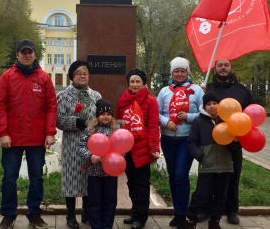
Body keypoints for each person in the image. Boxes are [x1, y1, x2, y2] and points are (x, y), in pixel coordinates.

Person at [0, 40, 57, 229]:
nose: (27, 55)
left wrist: (50, 133)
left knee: (36, 178)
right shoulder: (7, 77)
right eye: (23, 52)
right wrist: (3, 133)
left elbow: (51, 107)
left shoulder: (44, 78)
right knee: (9, 178)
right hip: (11, 139)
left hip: (37, 139)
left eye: (30, 52)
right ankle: (8, 214)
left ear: (35, 55)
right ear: (17, 55)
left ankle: (34, 213)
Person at [157, 57, 204, 229]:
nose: (179, 74)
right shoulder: (164, 91)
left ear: (187, 72)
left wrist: (189, 116)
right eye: (176, 71)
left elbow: (207, 111)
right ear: (172, 73)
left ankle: (182, 215)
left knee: (180, 175)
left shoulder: (197, 90)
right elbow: (157, 113)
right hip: (168, 139)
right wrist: (165, 122)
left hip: (187, 140)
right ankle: (177, 213)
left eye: (182, 71)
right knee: (172, 176)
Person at [205, 58, 253, 225]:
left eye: (226, 65)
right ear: (215, 69)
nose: (223, 68)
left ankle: (232, 210)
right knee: (210, 176)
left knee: (233, 176)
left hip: (235, 141)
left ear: (230, 68)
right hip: (211, 140)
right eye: (220, 65)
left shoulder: (242, 91)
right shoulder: (207, 88)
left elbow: (251, 115)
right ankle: (209, 210)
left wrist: (243, 132)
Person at [56, 60, 102, 229]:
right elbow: (58, 120)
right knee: (71, 178)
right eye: (79, 73)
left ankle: (86, 212)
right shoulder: (63, 95)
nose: (83, 75)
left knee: (89, 178)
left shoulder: (96, 95)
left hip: (92, 142)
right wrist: (75, 122)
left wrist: (92, 124)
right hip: (72, 143)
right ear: (72, 76)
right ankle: (70, 215)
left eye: (85, 73)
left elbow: (101, 117)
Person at [117, 69, 160, 229]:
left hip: (142, 149)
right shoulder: (123, 100)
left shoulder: (150, 102)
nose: (135, 85)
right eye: (132, 82)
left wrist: (155, 148)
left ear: (143, 84)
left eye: (138, 82)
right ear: (128, 84)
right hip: (127, 149)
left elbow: (154, 126)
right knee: (131, 183)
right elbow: (120, 124)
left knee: (142, 184)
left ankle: (141, 217)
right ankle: (135, 212)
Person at [185, 92, 233, 229]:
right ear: (204, 106)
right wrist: (201, 156)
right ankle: (191, 220)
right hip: (207, 165)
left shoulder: (227, 121)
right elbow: (191, 143)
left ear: (220, 105)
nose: (212, 106)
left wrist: (235, 142)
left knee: (220, 196)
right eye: (208, 104)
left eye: (214, 103)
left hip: (225, 166)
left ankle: (215, 221)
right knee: (201, 194)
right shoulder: (198, 122)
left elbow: (235, 145)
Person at [77, 99, 120, 229]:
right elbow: (81, 146)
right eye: (102, 114)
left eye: (108, 114)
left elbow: (123, 149)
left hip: (110, 174)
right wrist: (91, 156)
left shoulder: (116, 130)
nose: (105, 117)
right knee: (94, 201)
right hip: (94, 173)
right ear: (97, 115)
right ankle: (96, 225)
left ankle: (107, 225)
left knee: (110, 201)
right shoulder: (90, 130)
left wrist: (116, 158)